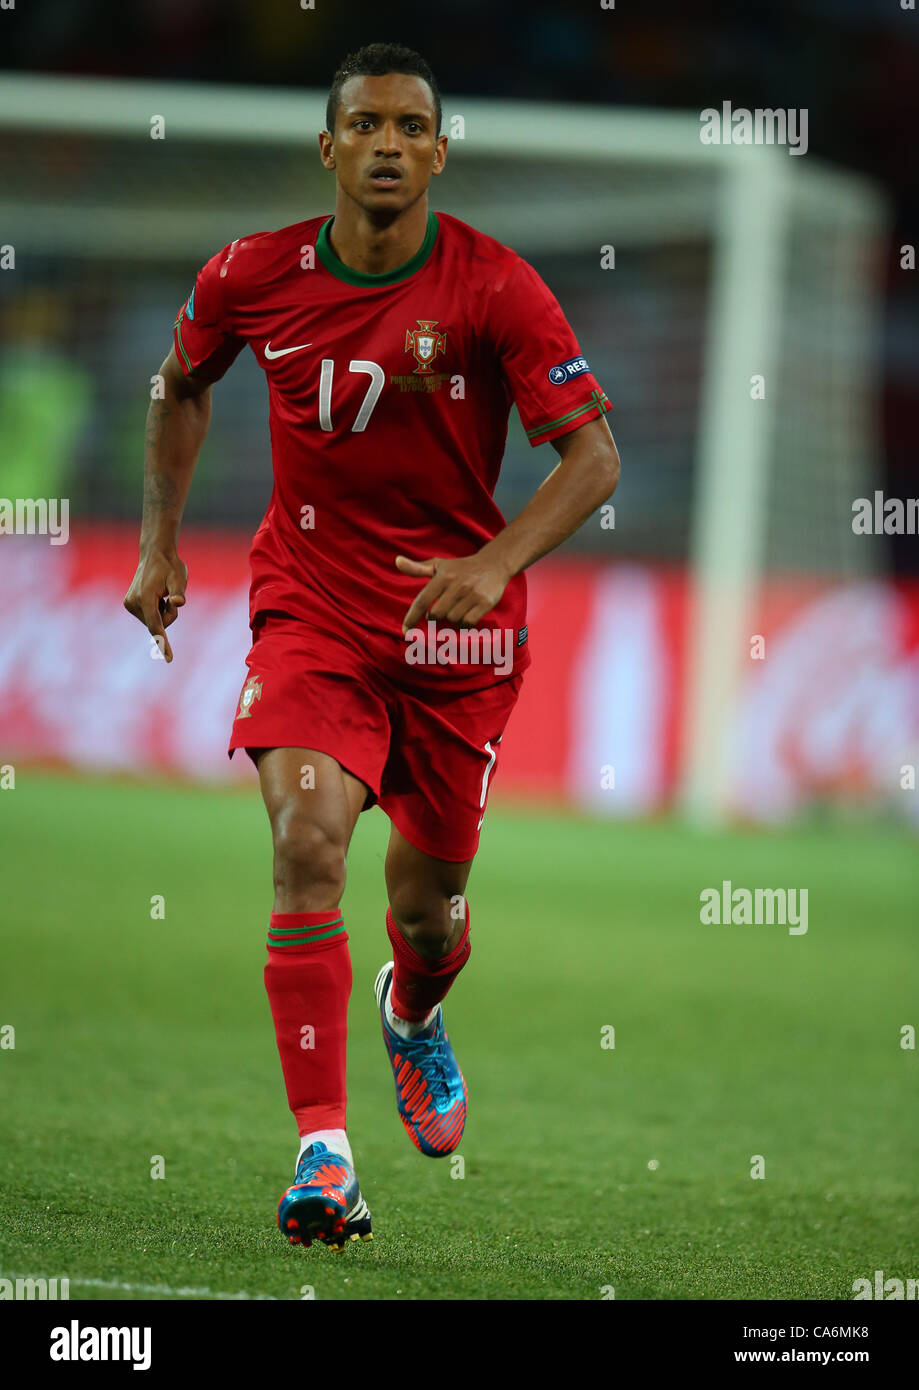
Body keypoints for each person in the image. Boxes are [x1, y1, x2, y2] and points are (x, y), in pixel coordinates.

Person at [124, 41, 620, 1253]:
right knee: (303, 844)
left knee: (432, 909)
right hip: (312, 607)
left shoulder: (497, 288)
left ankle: (413, 1008)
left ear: (441, 151)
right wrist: (158, 543)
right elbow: (180, 381)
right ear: (329, 147)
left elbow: (594, 456)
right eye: (368, 124)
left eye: (413, 126)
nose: (390, 144)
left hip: (458, 637)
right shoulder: (251, 272)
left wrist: (493, 563)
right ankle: (323, 1153)